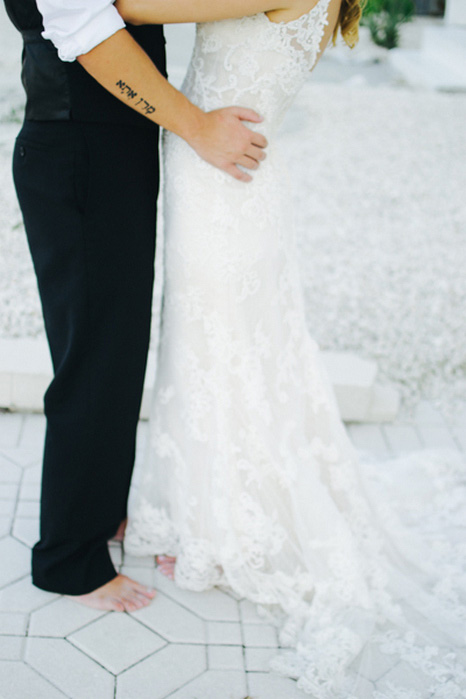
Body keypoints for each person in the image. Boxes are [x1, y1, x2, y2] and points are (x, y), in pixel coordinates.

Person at [117, 0, 466, 696]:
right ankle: (209, 505)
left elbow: (130, 4)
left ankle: (222, 524)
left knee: (216, 350)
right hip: (239, 180)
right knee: (227, 348)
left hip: (221, 183)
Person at [5, 0, 267, 613]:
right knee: (94, 356)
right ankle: (69, 560)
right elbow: (91, 31)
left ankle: (98, 514)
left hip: (105, 150)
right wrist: (198, 127)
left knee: (116, 350)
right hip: (78, 151)